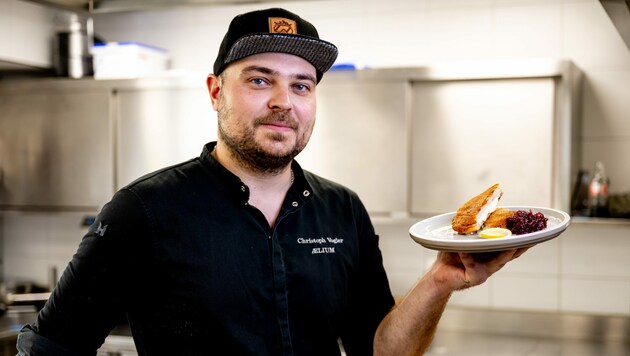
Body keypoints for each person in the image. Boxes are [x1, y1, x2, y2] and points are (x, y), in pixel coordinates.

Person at [16, 7, 528, 356]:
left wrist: (441, 280)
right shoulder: (143, 212)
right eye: (260, 79)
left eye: (301, 85)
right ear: (216, 91)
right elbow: (50, 348)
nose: (284, 101)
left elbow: (380, 349)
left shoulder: (342, 209)